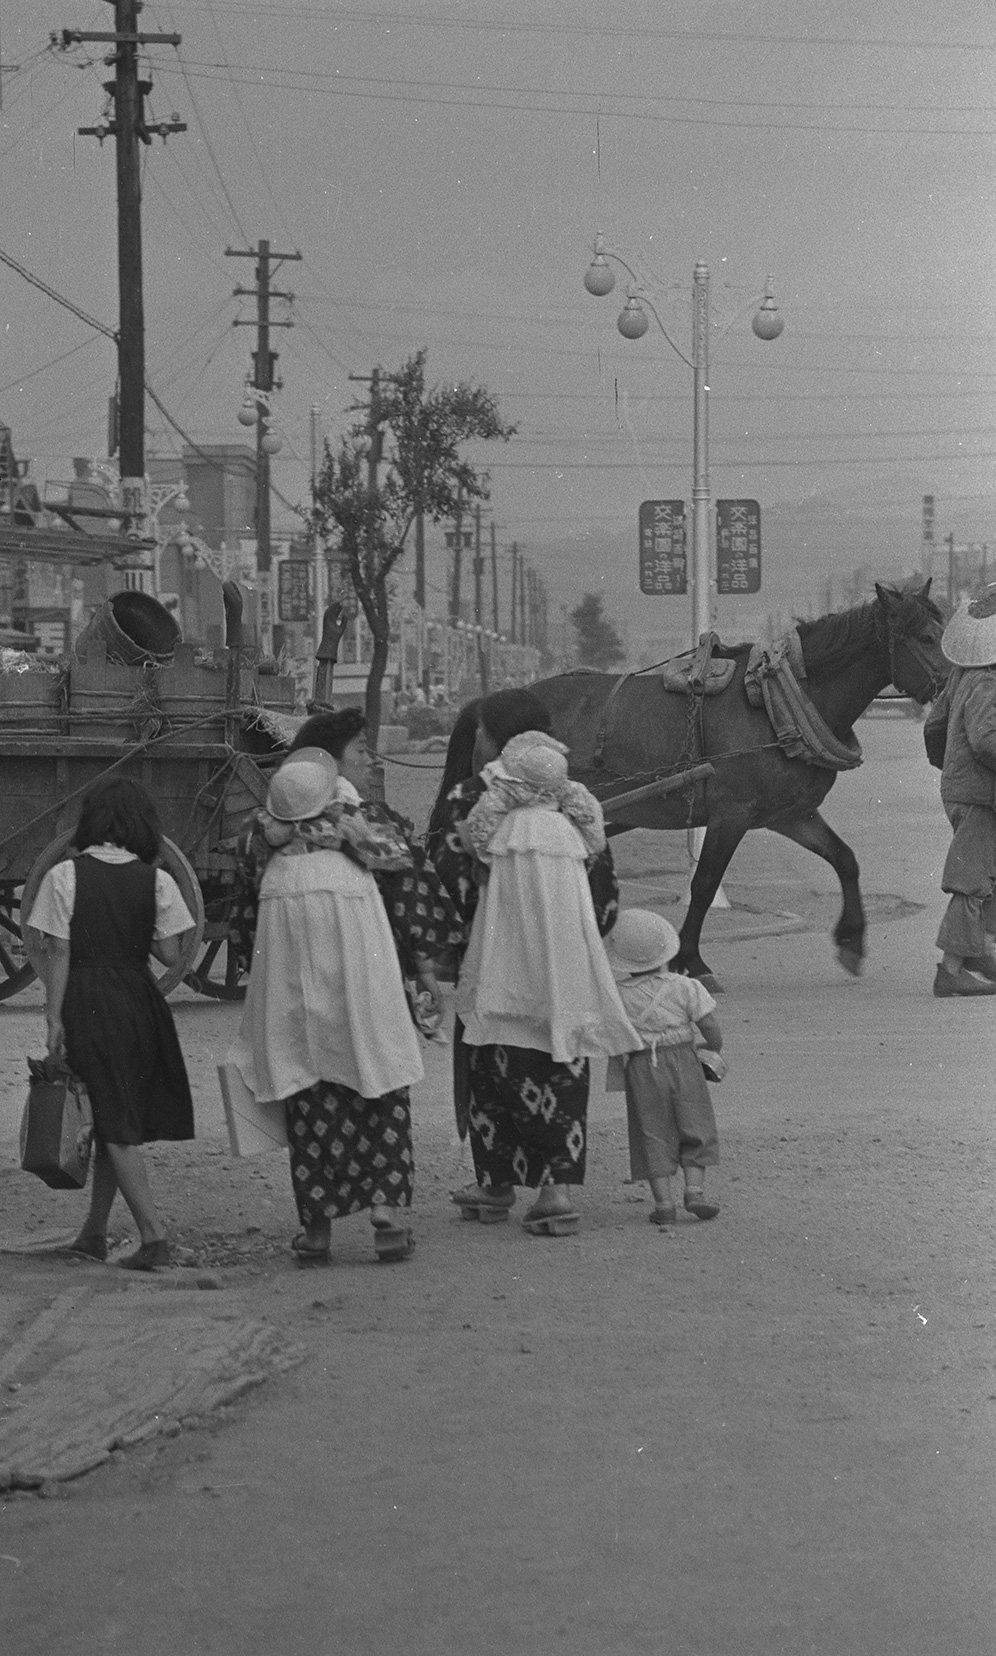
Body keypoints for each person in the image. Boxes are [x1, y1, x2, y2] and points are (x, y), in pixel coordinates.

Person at [427, 688, 636, 1236]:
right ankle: (556, 1191)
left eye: (478, 734)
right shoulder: (574, 800)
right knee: (562, 1059)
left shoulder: (468, 799)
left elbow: (448, 881)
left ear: (496, 740)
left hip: (491, 958)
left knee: (491, 1063)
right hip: (563, 960)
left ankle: (495, 1185)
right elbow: (605, 892)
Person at [227, 756, 425, 1264]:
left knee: (306, 1079)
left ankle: (317, 1232)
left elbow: (243, 919)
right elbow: (400, 860)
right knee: (372, 1067)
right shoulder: (355, 833)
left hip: (289, 970)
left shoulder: (263, 851)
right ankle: (385, 1215)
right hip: (359, 970)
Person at [25, 777, 196, 1270]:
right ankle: (94, 1233)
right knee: (111, 1113)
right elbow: (169, 953)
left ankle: (153, 1237)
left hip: (88, 1000)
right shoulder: (157, 880)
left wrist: (54, 1016)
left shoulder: (65, 877)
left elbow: (56, 949)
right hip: (140, 1002)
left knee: (114, 1122)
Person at [230, 709, 465, 1029]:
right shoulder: (377, 825)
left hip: (284, 982)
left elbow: (244, 919)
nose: (371, 761)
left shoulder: (258, 831)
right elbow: (408, 902)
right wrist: (424, 973)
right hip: (365, 978)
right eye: (360, 749)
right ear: (329, 762)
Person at [604, 908, 724, 1226]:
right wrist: (712, 1048)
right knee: (695, 1124)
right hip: (684, 1059)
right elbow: (709, 1023)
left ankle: (664, 1204)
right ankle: (695, 1191)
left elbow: (612, 1036)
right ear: (666, 949)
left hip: (642, 1066)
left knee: (652, 1132)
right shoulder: (686, 987)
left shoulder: (617, 995)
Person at [923, 586, 996, 997]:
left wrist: (949, 770)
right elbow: (987, 739)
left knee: (989, 874)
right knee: (972, 880)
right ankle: (951, 970)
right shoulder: (988, 680)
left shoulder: (962, 675)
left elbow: (934, 728)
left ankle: (980, 952)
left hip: (962, 790)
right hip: (979, 797)